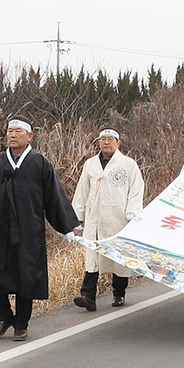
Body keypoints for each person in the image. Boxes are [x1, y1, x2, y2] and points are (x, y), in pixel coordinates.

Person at [0, 116, 80, 341]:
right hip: (0, 232)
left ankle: (21, 323)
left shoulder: (40, 163)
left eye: (18, 131)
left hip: (29, 232)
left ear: (30, 136)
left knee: (25, 278)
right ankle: (4, 317)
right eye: (10, 130)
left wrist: (66, 227)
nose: (12, 134)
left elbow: (54, 198)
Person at [71, 128, 145, 310]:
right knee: (92, 256)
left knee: (118, 257)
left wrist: (133, 211)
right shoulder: (90, 164)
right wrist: (76, 217)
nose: (106, 142)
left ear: (118, 143)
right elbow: (82, 191)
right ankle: (88, 296)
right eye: (103, 139)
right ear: (98, 143)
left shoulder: (128, 164)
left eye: (110, 139)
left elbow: (136, 190)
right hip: (94, 218)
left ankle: (119, 293)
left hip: (118, 218)